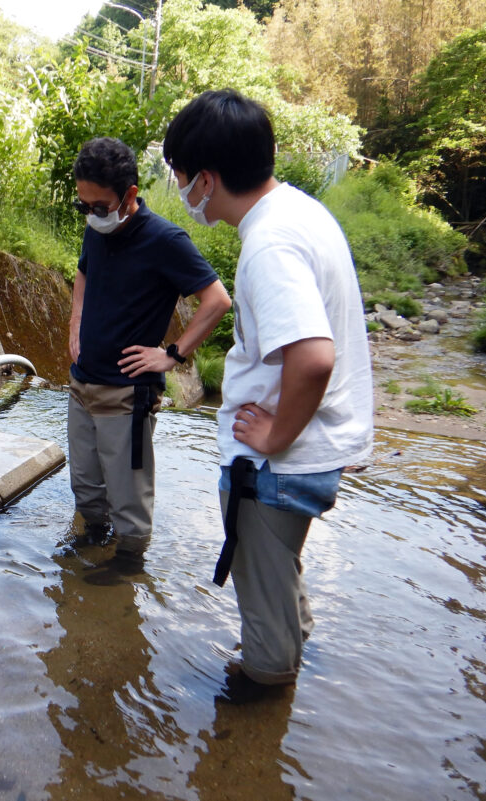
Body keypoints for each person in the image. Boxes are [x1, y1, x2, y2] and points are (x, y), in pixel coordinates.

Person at [162, 90, 373, 696]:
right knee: (279, 578)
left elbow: (312, 359)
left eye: (180, 176)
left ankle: (262, 702)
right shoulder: (300, 212)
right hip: (307, 454)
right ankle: (291, 643)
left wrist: (275, 436)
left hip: (277, 466)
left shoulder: (270, 245)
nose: (181, 190)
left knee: (264, 615)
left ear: (206, 178)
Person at [68, 137, 231, 576]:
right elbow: (83, 275)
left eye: (100, 206)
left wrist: (171, 355)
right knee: (85, 487)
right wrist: (74, 326)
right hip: (82, 384)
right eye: (83, 205)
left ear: (130, 195)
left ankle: (127, 567)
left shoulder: (165, 240)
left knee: (129, 496)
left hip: (127, 395)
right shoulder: (94, 227)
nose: (92, 215)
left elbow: (216, 300)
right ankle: (91, 541)